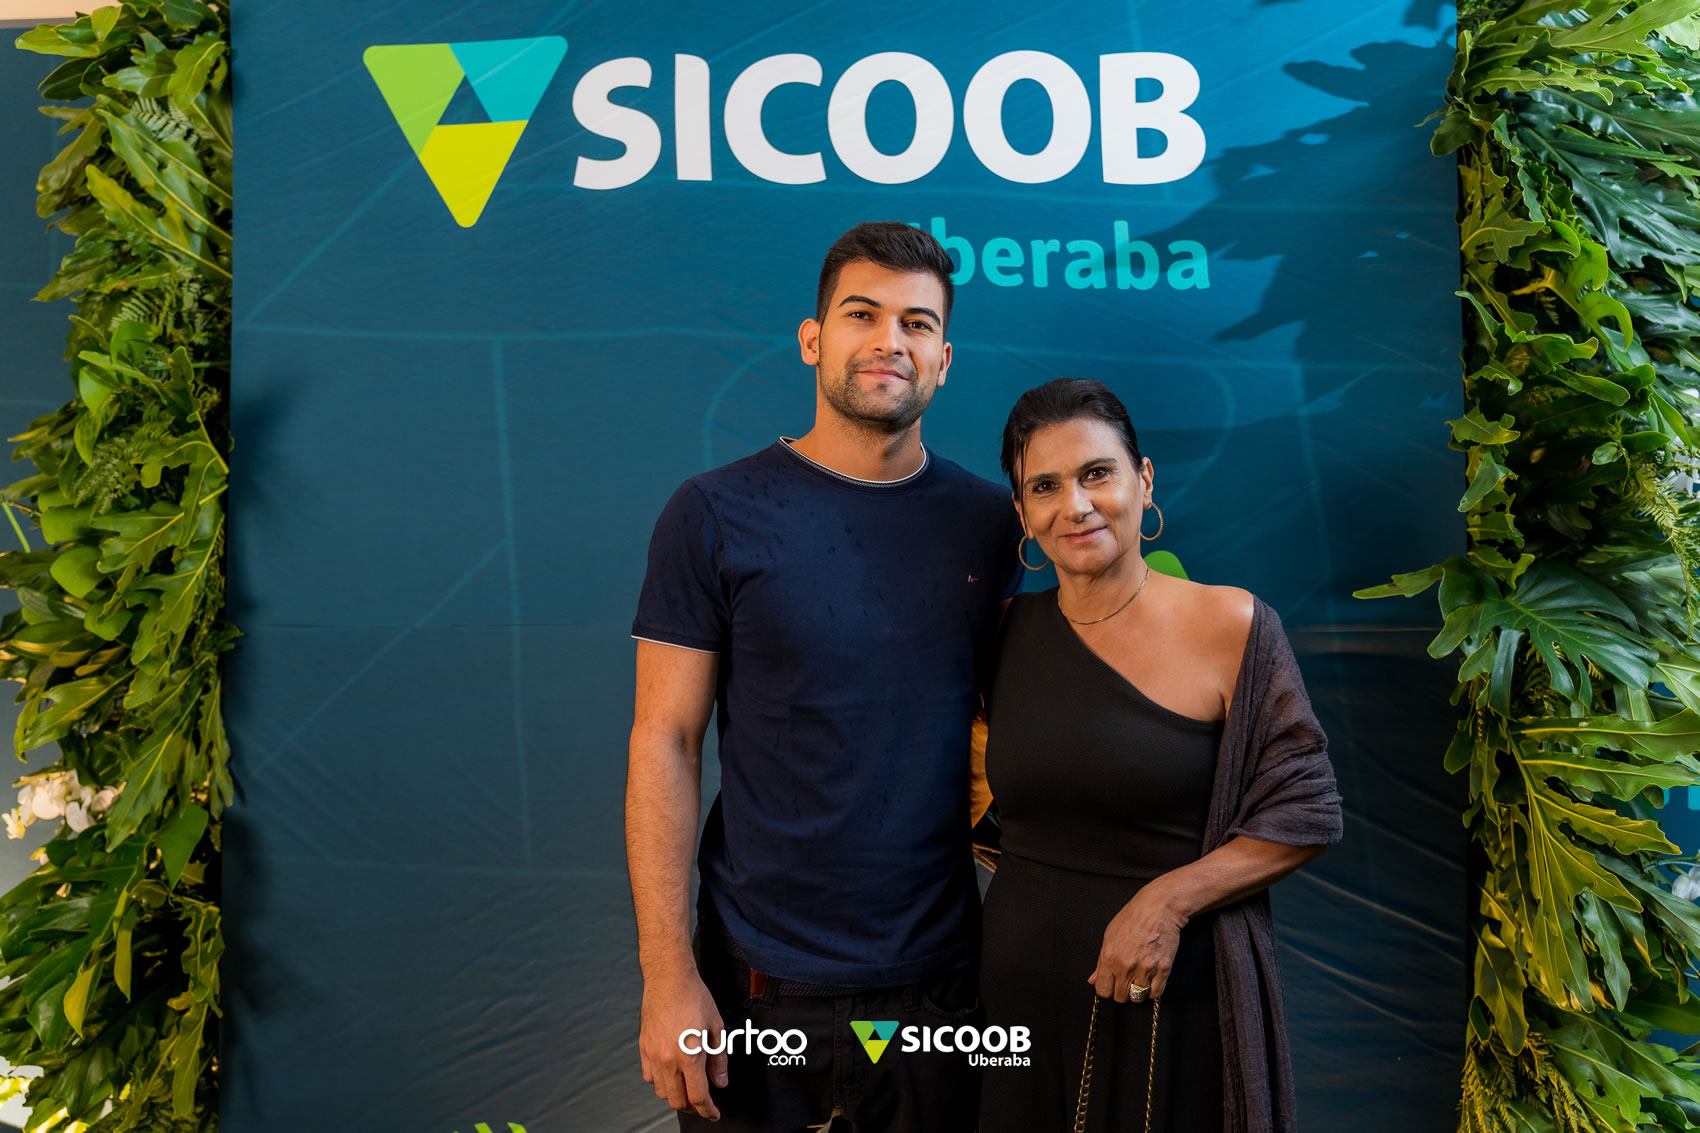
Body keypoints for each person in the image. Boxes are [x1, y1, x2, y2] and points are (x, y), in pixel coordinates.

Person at [626, 221, 1022, 1132]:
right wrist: (667, 977)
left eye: (917, 323)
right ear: (813, 339)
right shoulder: (713, 512)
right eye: (862, 314)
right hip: (757, 986)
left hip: (942, 986)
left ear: (945, 360)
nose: (891, 340)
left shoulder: (992, 525)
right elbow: (664, 741)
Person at [976, 378, 1343, 1133]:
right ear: (1022, 513)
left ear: (1143, 481)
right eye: (1045, 486)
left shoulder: (1232, 623)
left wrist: (1166, 902)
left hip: (1167, 993)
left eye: (1097, 473)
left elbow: (1306, 811)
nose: (1075, 505)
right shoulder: (1000, 632)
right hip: (1013, 1001)